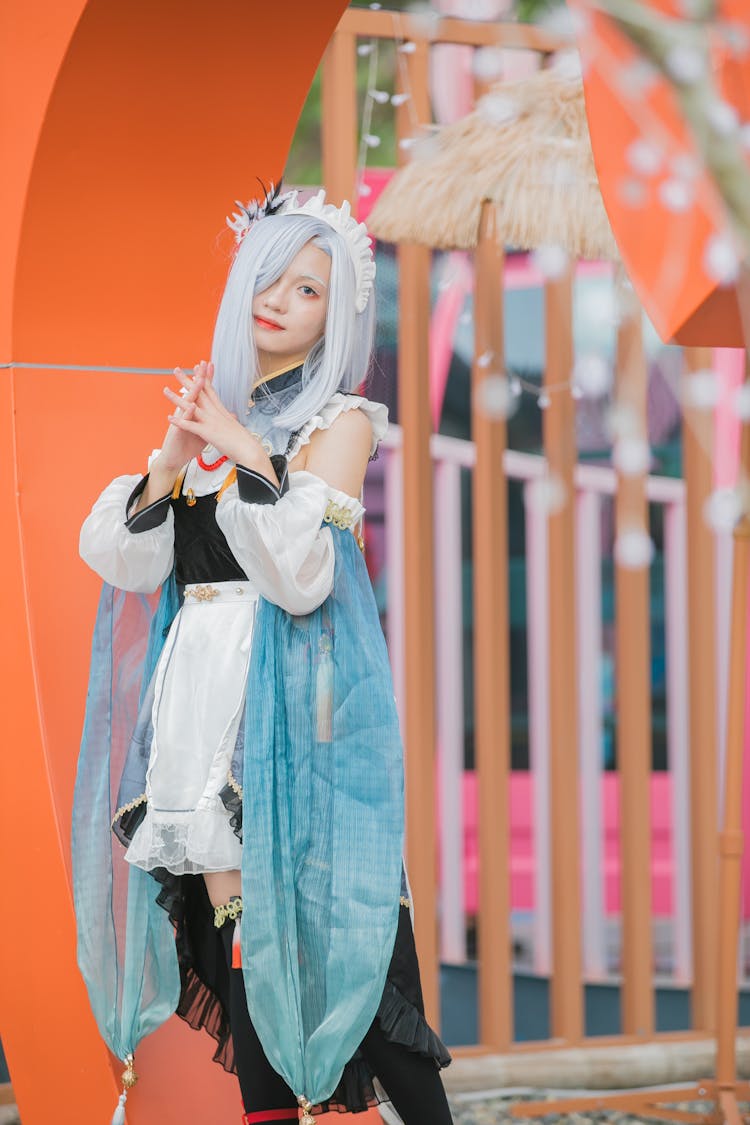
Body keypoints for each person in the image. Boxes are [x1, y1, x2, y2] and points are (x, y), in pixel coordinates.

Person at [73, 187, 453, 1125]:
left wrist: (242, 447)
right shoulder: (209, 425)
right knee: (243, 951)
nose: (280, 299)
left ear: (340, 316)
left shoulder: (341, 423)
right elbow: (127, 560)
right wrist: (172, 452)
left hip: (298, 719)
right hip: (200, 719)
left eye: (311, 289)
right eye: (269, 277)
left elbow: (302, 572)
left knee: (345, 938)